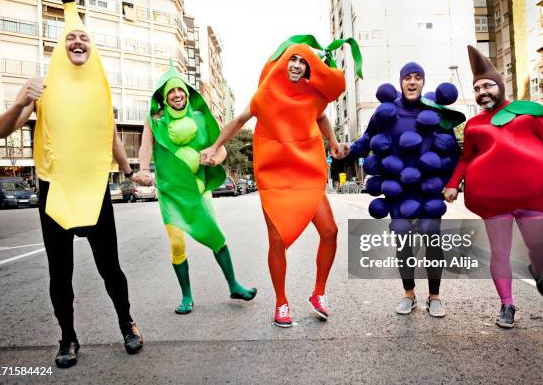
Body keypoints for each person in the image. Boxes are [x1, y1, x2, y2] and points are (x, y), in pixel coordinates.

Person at [0, 0, 143, 368]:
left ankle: (127, 323)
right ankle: (68, 338)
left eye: (84, 38)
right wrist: (20, 105)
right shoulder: (40, 86)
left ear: (91, 48)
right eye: (71, 37)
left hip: (94, 191)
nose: (78, 42)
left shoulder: (100, 89)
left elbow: (111, 138)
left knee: (111, 268)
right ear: (62, 46)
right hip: (55, 190)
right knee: (60, 273)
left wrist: (129, 171)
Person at [200, 35, 361, 327]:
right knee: (277, 241)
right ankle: (281, 302)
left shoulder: (313, 96)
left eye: (302, 61)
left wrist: (334, 143)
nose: (297, 65)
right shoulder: (265, 95)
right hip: (275, 177)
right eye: (292, 60)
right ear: (284, 64)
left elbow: (322, 118)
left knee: (330, 231)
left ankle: (319, 294)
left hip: (307, 174)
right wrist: (214, 147)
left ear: (309, 67)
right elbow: (238, 121)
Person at [443, 45, 543, 328]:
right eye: (477, 88)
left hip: (530, 198)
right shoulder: (474, 125)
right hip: (493, 200)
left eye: (487, 85)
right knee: (499, 252)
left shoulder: (528, 114)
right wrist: (453, 184)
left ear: (500, 86)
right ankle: (507, 305)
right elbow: (466, 158)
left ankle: (538, 269)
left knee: (539, 248)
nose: (482, 92)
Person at [135, 61, 257, 314]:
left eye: (181, 91)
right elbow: (146, 147)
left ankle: (234, 285)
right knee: (177, 244)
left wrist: (214, 158)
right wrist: (144, 169)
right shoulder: (155, 121)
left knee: (214, 235)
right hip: (170, 193)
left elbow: (220, 148)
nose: (178, 95)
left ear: (188, 94)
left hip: (199, 190)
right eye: (172, 92)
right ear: (165, 97)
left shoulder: (201, 119)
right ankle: (187, 296)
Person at [347, 62, 465, 317]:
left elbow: (453, 150)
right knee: (403, 241)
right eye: (407, 78)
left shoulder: (435, 111)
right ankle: (408, 294)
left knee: (432, 239)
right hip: (398, 188)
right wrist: (348, 149)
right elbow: (367, 139)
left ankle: (434, 296)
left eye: (417, 78)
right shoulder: (386, 112)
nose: (412, 82)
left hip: (428, 187)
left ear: (423, 82)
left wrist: (452, 183)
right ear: (401, 82)